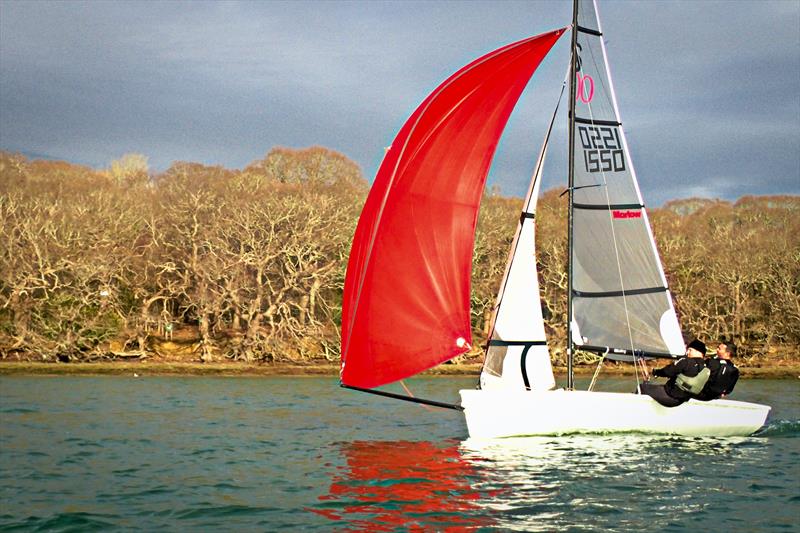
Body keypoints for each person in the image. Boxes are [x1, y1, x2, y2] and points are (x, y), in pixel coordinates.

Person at [639, 339, 710, 407]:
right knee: (656, 387)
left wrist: (655, 372)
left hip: (670, 396)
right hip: (683, 400)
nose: (687, 352)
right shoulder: (706, 367)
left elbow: (667, 371)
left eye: (690, 350)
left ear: (698, 352)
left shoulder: (686, 361)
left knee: (641, 387)